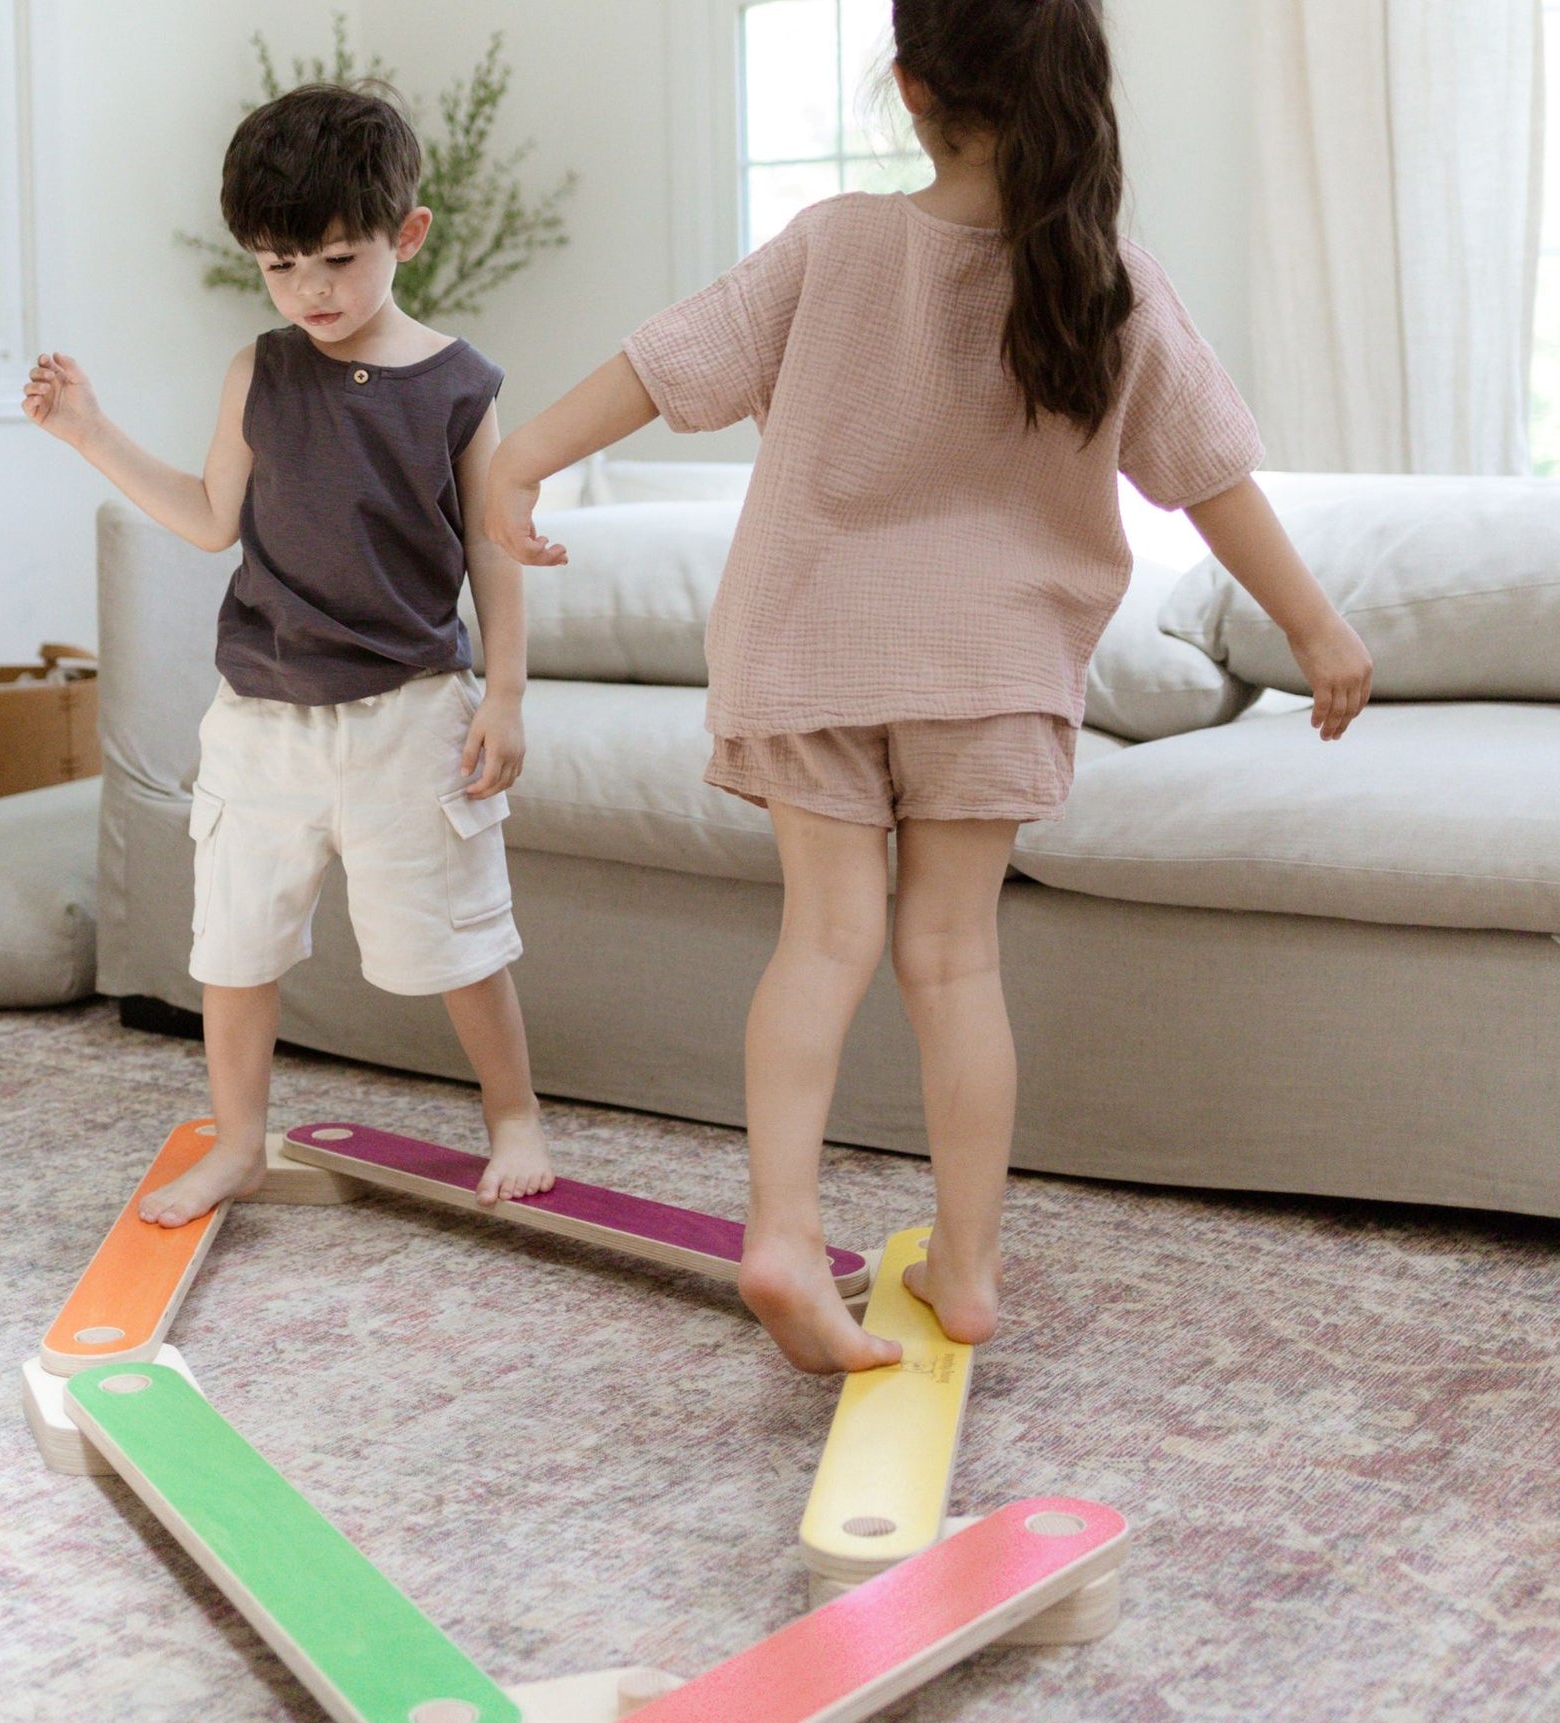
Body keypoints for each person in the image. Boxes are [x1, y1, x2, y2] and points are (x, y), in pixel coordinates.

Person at [484, 0, 1371, 1373]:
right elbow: (1211, 481)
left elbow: (663, 368)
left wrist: (517, 460)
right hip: (991, 670)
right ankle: (964, 1267)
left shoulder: (835, 243)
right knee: (952, 960)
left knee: (819, 941)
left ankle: (782, 1227)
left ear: (909, 87)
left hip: (807, 651)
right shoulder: (1106, 279)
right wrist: (1316, 633)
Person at [25, 80, 554, 1225]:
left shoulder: (459, 388)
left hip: (408, 713)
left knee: (453, 937)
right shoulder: (257, 372)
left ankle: (512, 1114)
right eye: (279, 266)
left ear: (405, 236)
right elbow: (213, 517)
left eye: (335, 260)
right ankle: (240, 1143)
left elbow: (492, 553)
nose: (310, 290)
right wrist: (91, 434)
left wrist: (500, 695)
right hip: (261, 715)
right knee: (234, 942)